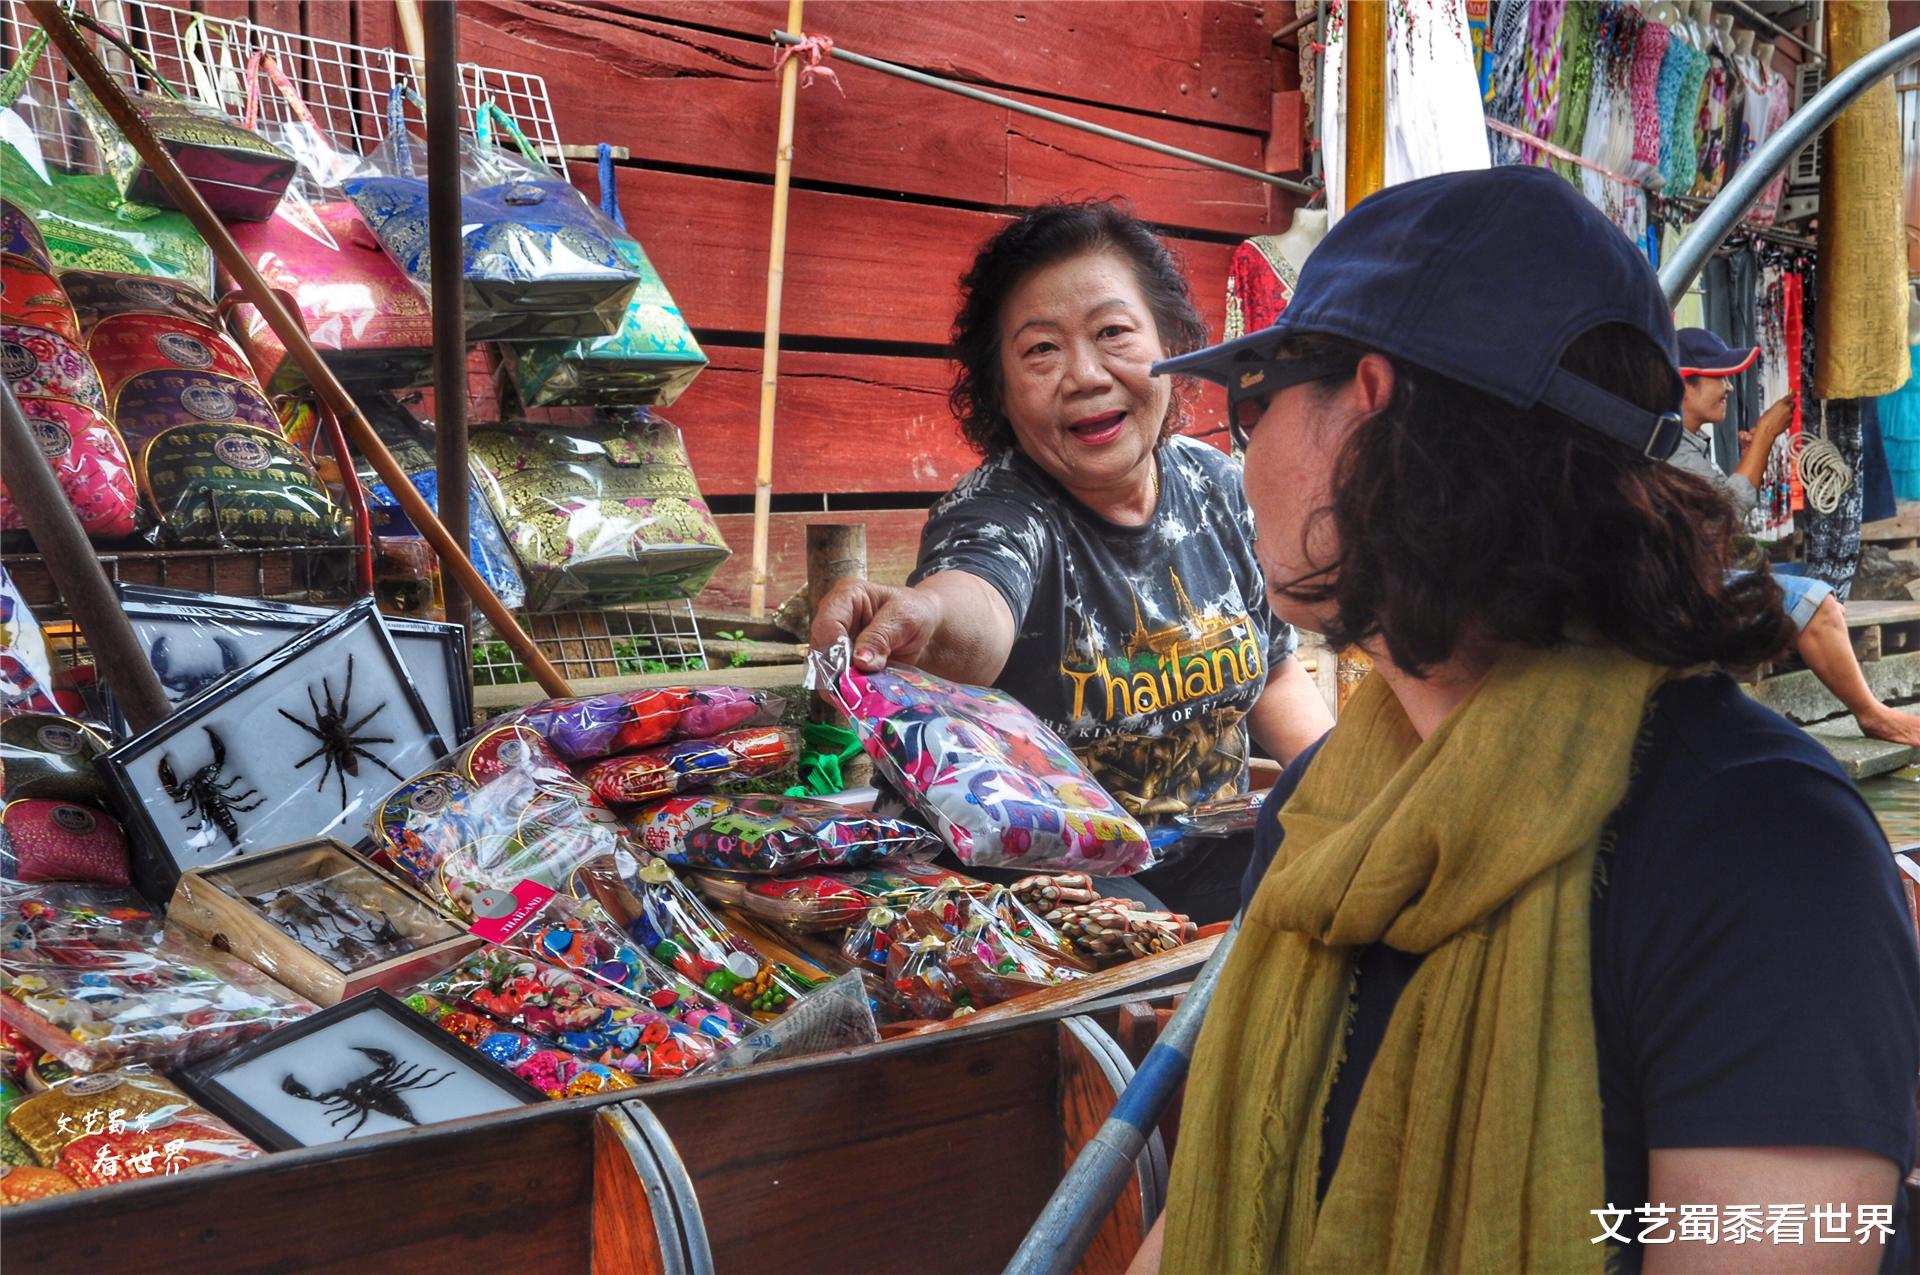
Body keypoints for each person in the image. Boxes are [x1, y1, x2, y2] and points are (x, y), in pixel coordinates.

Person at [1127, 168, 1919, 1275]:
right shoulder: (1329, 812)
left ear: (1367, 405)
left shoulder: (1763, 848)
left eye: (1254, 399)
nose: (1236, 450)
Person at [811, 201, 1332, 923]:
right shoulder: (998, 509)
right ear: (999, 389)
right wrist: (925, 618)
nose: (1085, 374)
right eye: (1041, 350)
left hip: (1209, 852)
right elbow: (976, 600)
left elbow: (1273, 671)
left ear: (1171, 344)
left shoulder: (1215, 487)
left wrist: (1352, 794)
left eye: (1114, 332)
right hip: (1054, 877)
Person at [1671, 325, 1920, 748]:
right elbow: (1726, 513)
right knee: (1818, 602)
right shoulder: (1670, 445)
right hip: (1682, 588)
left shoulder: (1687, 441)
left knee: (1821, 596)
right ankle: (1874, 715)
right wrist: (1764, 439)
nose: (1729, 387)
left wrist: (1756, 453)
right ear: (1684, 384)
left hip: (1700, 571)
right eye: (1719, 378)